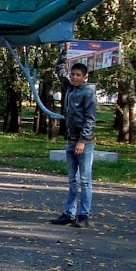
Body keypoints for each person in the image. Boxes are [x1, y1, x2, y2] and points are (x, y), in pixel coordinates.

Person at [50, 58, 97, 228]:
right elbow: (59, 70)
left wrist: (82, 141)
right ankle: (69, 213)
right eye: (73, 74)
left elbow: (90, 120)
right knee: (72, 180)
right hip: (70, 140)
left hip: (83, 143)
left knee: (85, 180)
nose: (74, 77)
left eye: (78, 75)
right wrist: (64, 51)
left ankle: (83, 215)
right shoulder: (69, 88)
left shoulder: (88, 94)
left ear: (85, 77)